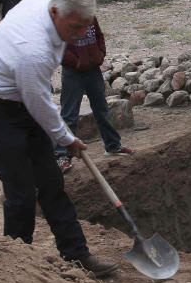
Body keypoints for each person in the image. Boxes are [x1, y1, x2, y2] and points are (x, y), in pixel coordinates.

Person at [0, 0, 118, 277]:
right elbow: (39, 102)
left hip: (20, 99)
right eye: (74, 27)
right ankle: (18, 268)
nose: (78, 35)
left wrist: (62, 137)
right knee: (21, 191)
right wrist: (67, 138)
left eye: (84, 28)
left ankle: (77, 255)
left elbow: (34, 100)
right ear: (54, 11)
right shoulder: (32, 49)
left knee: (52, 184)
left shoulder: (45, 3)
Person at [54, 14, 133, 174]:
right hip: (72, 73)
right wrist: (75, 62)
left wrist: (100, 54)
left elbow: (98, 35)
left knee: (102, 109)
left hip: (93, 70)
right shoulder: (63, 17)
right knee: (69, 114)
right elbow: (57, 45)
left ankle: (112, 145)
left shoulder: (90, 15)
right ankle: (62, 156)